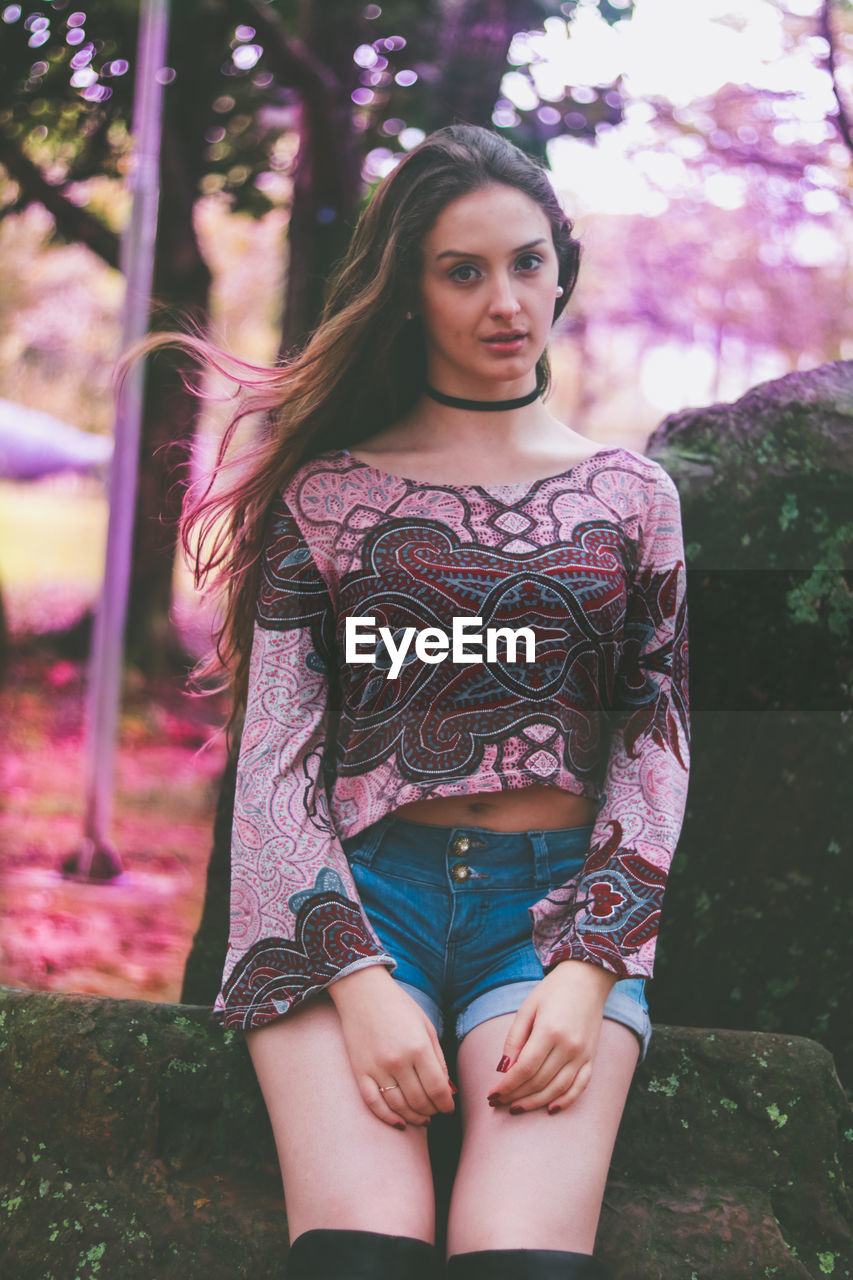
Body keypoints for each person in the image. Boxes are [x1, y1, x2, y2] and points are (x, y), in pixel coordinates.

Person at [173, 124, 690, 1279]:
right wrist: (356, 978)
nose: (504, 301)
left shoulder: (633, 498)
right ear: (408, 289)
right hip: (352, 902)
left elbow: (653, 746)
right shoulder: (327, 493)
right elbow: (273, 766)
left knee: (519, 1264)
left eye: (525, 262)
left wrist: (591, 963)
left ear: (561, 266)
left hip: (549, 918)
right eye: (462, 271)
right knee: (362, 1258)